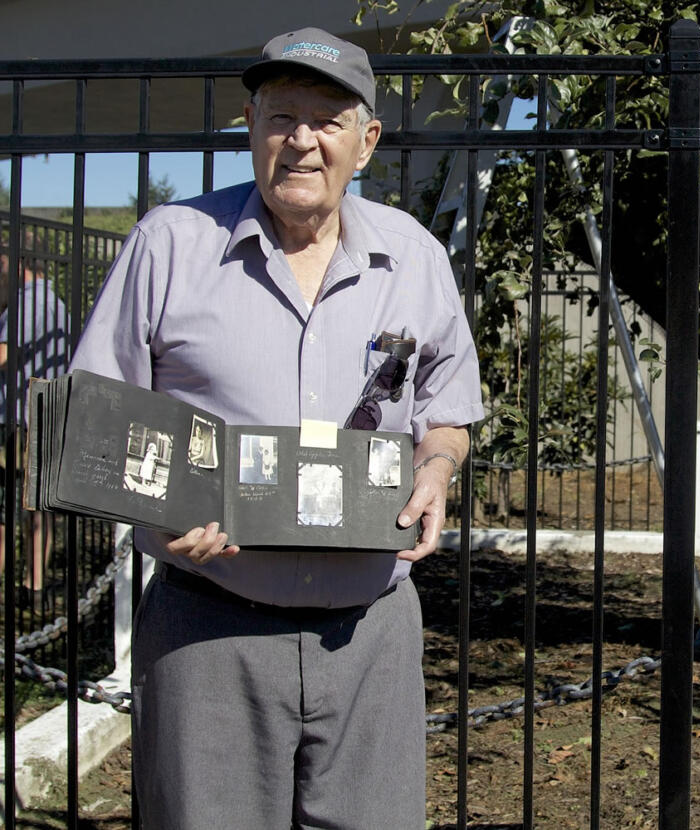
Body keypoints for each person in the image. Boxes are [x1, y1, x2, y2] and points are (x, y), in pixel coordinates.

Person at [70, 27, 483, 829]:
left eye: (327, 121)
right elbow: (99, 414)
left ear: (365, 142)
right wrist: (157, 506)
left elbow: (447, 412)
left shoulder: (416, 256)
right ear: (250, 126)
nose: (302, 141)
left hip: (371, 636)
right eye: (281, 116)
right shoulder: (170, 245)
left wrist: (436, 471)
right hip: (208, 626)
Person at [0, 227, 69, 604]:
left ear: (19, 260)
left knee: (16, 504)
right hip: (45, 414)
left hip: (21, 417)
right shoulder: (53, 301)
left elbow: (4, 354)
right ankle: (34, 582)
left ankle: (29, 585)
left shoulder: (28, 303)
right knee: (38, 504)